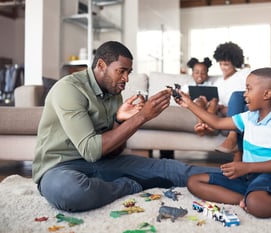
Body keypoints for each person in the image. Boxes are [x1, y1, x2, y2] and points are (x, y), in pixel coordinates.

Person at [32, 41, 220, 212]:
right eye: (121, 71)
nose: (126, 79)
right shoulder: (69, 89)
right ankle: (128, 185)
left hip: (103, 163)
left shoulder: (114, 94)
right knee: (70, 192)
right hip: (60, 168)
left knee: (172, 169)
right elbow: (90, 150)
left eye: (128, 72)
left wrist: (120, 121)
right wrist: (141, 116)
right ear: (101, 65)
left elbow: (113, 152)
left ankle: (240, 177)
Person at [175, 67, 271, 218]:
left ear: (266, 94)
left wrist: (247, 167)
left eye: (249, 89)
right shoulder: (249, 116)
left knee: (259, 206)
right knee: (194, 181)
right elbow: (216, 122)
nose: (244, 94)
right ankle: (247, 199)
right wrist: (189, 103)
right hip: (248, 176)